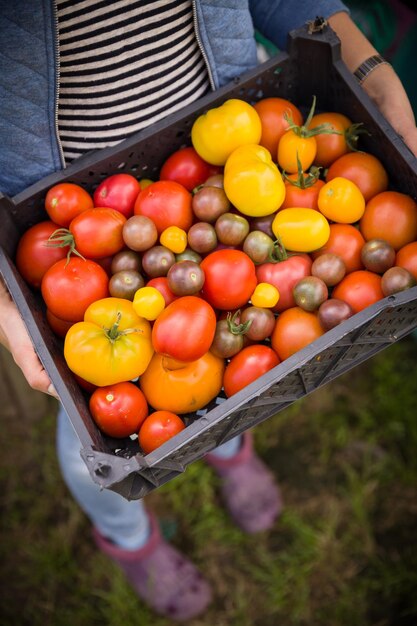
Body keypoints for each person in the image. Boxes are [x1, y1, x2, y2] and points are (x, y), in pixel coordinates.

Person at [1, 1, 417, 622]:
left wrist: (370, 64)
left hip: (233, 138)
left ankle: (228, 444)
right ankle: (129, 537)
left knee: (243, 378)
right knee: (93, 440)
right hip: (58, 211)